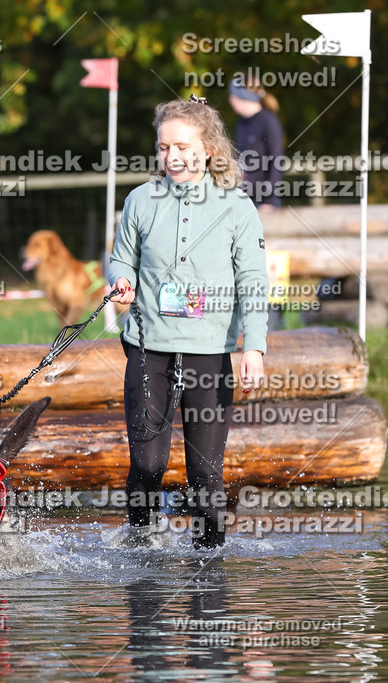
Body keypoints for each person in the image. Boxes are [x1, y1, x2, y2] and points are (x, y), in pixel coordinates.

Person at [107, 97, 269, 549]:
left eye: (182, 146)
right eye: (163, 148)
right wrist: (121, 279)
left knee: (204, 474)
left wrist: (253, 345)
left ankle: (209, 564)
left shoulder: (237, 208)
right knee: (148, 464)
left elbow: (253, 280)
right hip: (148, 347)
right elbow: (121, 258)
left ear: (209, 148)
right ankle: (140, 547)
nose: (172, 157)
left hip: (211, 352)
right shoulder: (140, 200)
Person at [228, 74, 284, 210]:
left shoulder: (268, 121)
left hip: (264, 201)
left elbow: (277, 161)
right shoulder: (240, 123)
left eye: (233, 95)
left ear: (241, 97)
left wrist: (268, 200)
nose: (230, 100)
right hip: (245, 197)